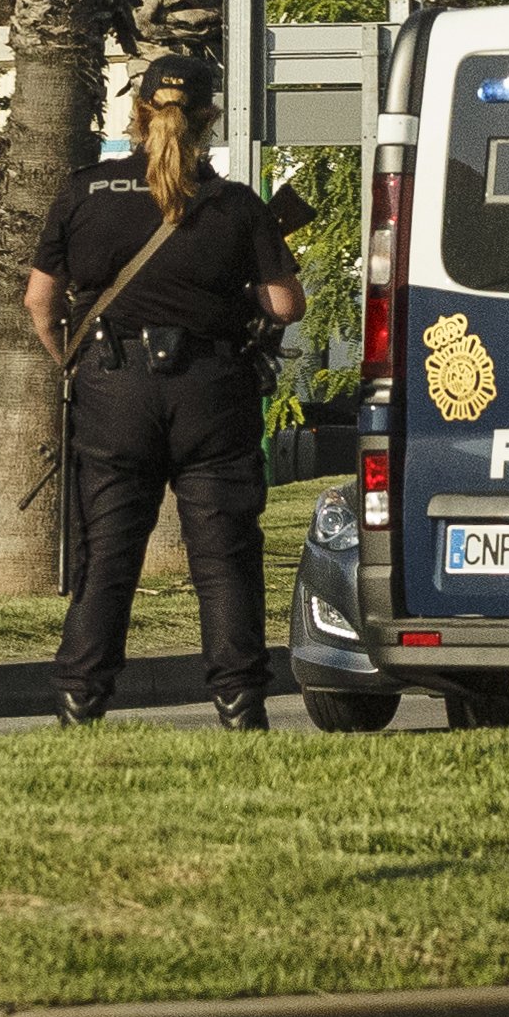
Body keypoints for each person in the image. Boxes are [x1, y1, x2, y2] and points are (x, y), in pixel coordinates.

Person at [25, 55, 305, 729]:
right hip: (211, 393)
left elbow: (39, 300)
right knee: (224, 554)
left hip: (113, 389)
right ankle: (240, 706)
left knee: (109, 552)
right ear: (209, 117)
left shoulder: (83, 192)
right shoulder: (235, 204)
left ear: (140, 112)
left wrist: (76, 361)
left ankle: (80, 701)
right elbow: (286, 303)